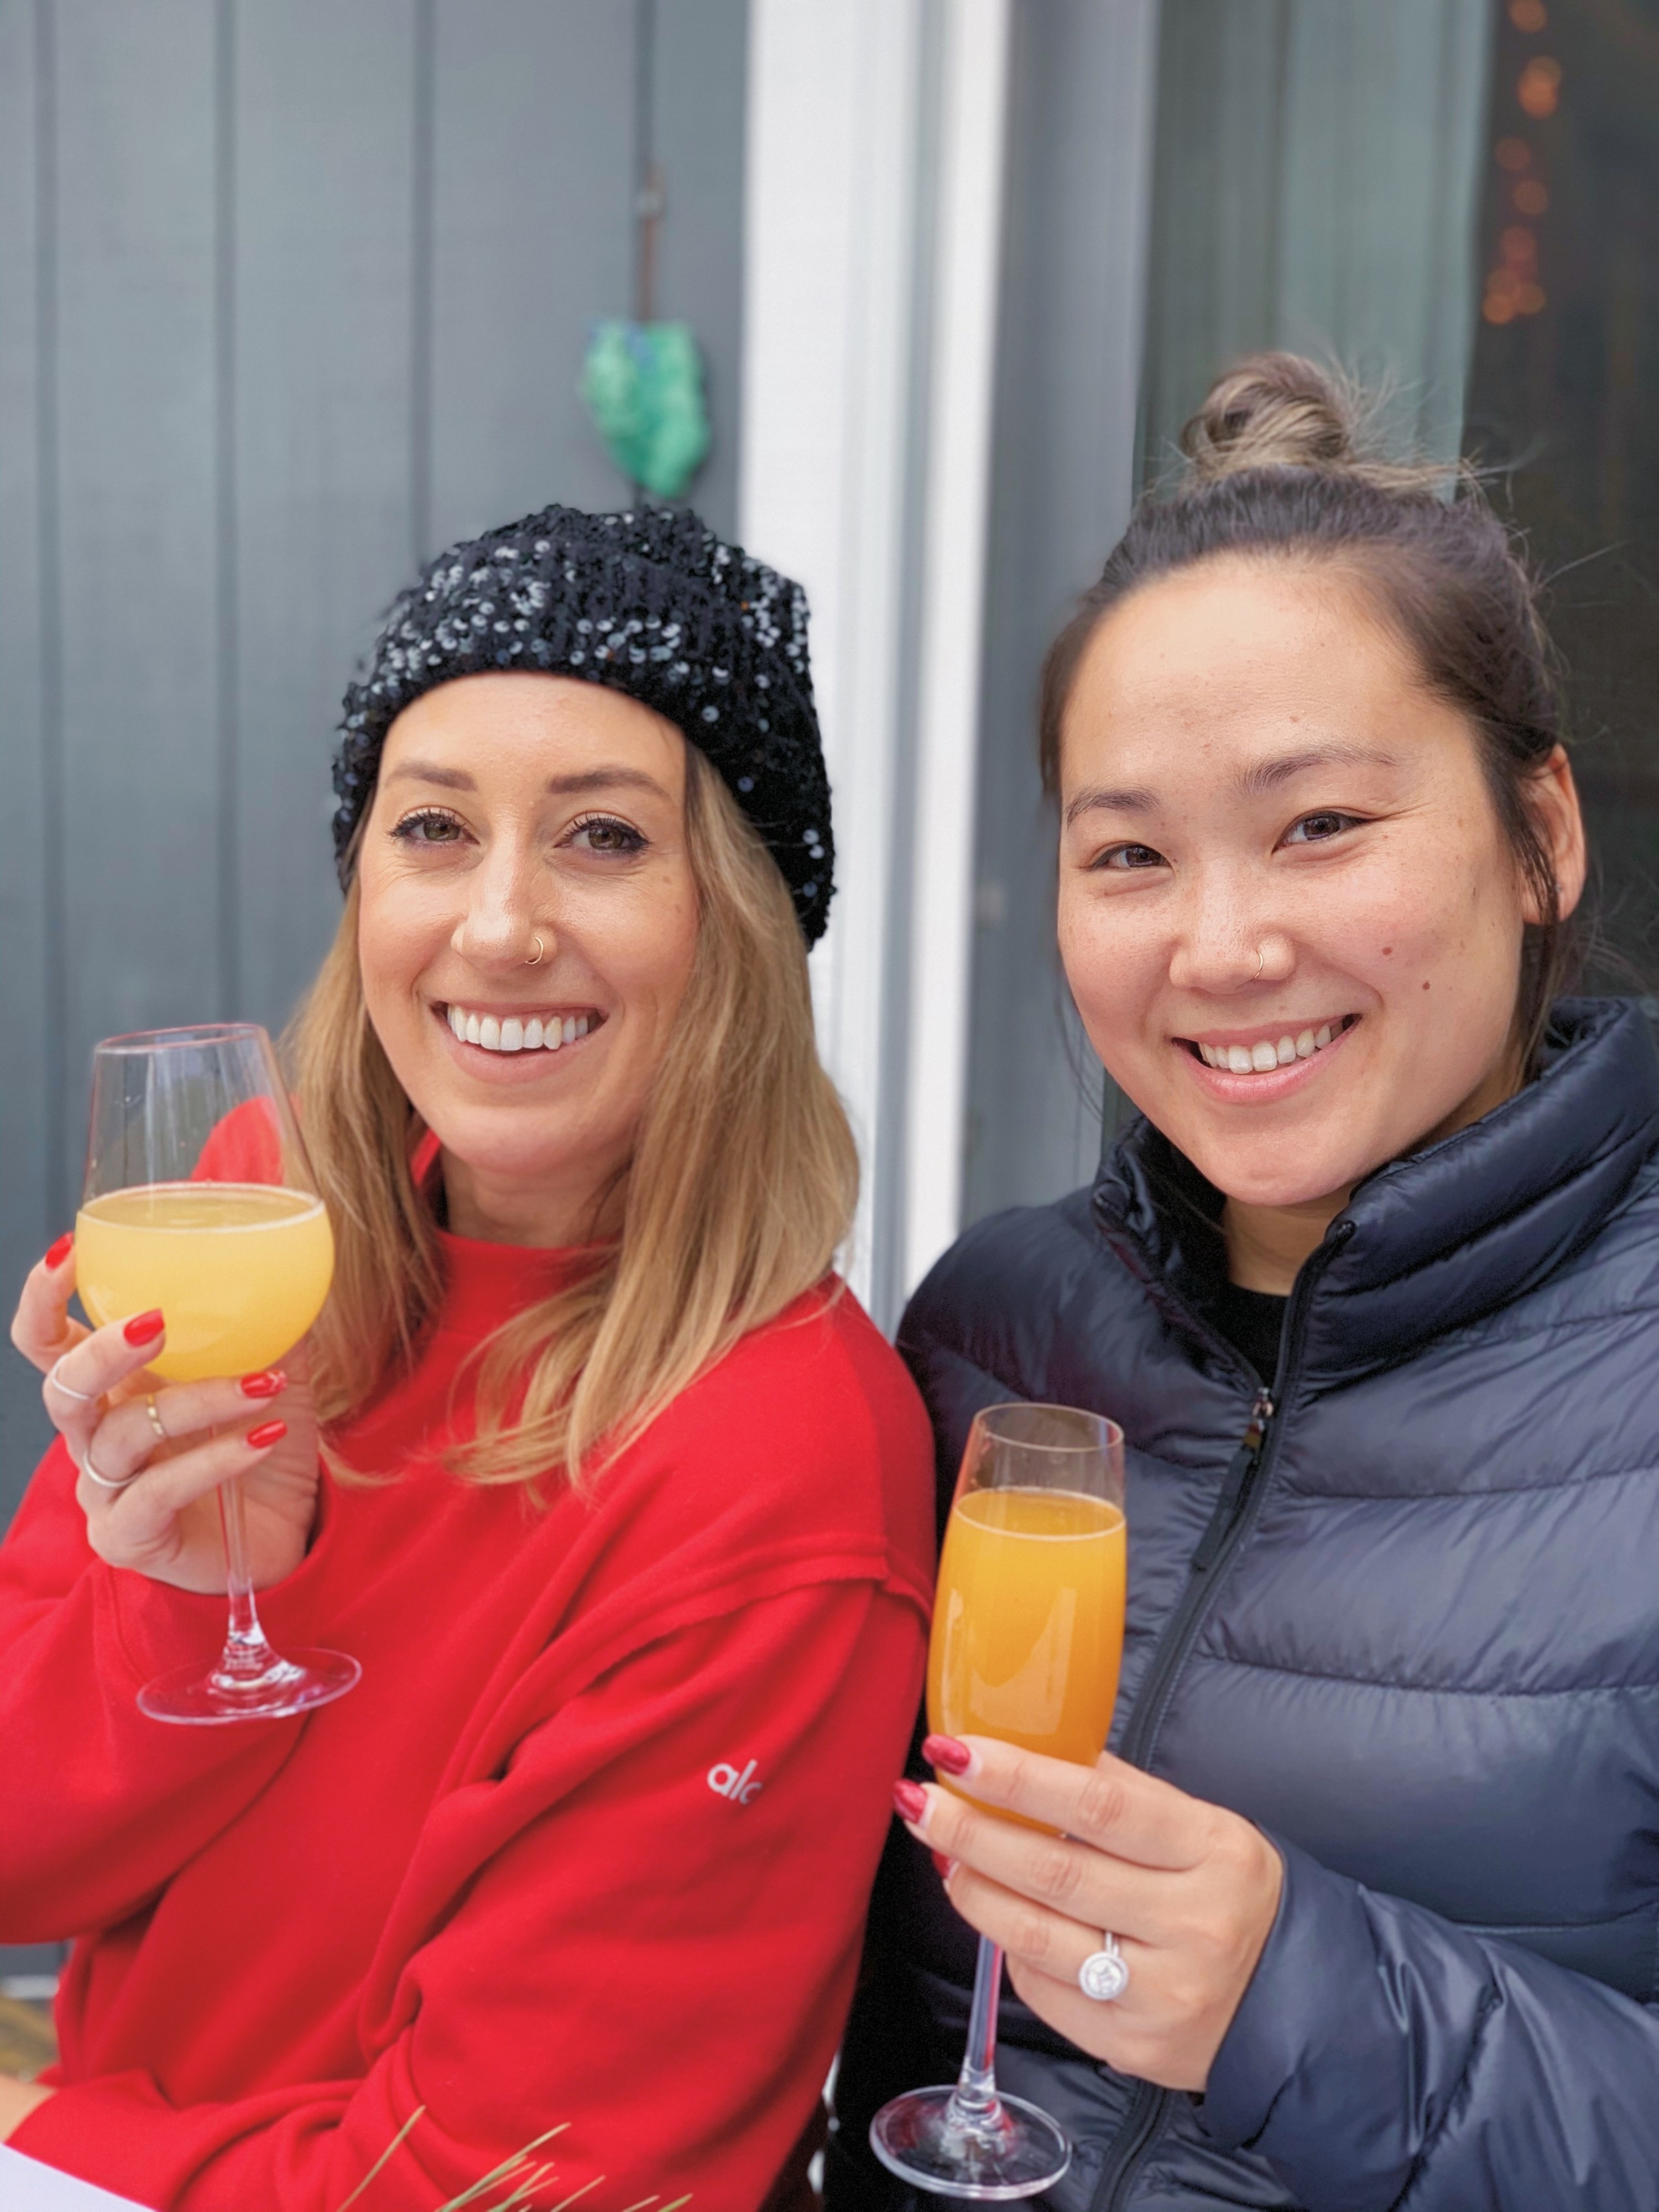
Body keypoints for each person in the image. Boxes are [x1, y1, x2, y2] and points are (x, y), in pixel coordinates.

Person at [0, 506, 935, 2211]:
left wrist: (45, 2155)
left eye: (601, 838)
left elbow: (507, 2177)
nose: (499, 927)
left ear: (738, 919)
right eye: (434, 827)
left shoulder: (783, 1475)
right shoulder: (245, 1242)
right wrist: (180, 1598)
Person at [828, 354, 1659, 2212]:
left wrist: (1301, 1999)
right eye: (1128, 854)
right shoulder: (994, 1328)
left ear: (1542, 839)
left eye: (1320, 826)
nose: (1222, 946)